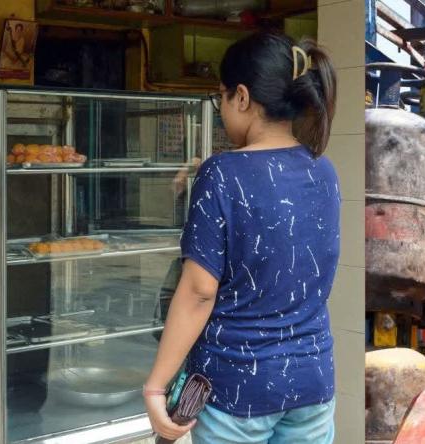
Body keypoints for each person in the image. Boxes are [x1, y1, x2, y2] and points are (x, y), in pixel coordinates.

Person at [143, 32, 339, 443]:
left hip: (236, 388)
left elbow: (199, 292)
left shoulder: (221, 174)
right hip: (313, 382)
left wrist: (156, 387)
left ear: (243, 97)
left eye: (222, 97)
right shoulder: (324, 170)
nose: (221, 110)